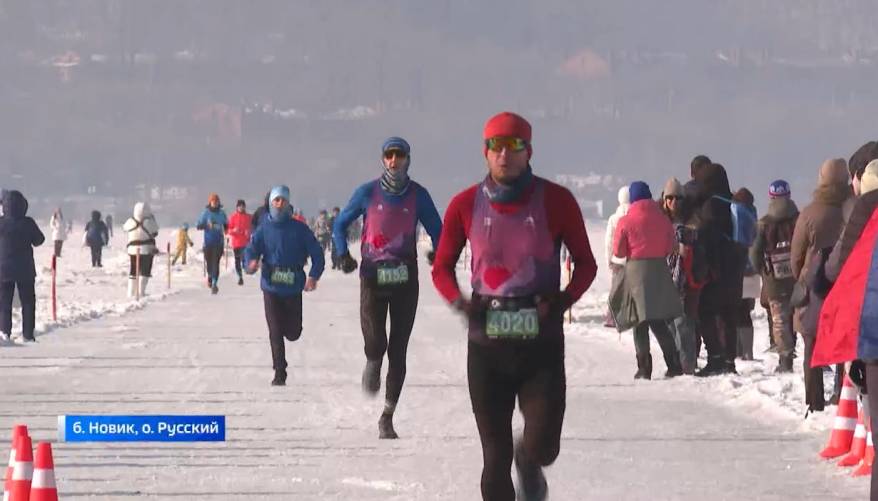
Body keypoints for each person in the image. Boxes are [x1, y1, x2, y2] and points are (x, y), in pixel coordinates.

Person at [431, 113, 597, 501]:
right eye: (496, 146)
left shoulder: (557, 201)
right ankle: (512, 462)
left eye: (514, 145)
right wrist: (460, 302)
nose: (505, 154)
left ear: (529, 151)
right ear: (485, 152)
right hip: (487, 345)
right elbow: (441, 267)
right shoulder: (464, 204)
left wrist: (562, 300)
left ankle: (529, 459)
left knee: (544, 448)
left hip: (540, 344)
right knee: (494, 458)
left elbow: (587, 265)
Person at [333, 136, 442, 440]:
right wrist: (342, 253)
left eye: (400, 155)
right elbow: (340, 224)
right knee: (376, 341)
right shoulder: (367, 192)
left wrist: (439, 252)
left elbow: (438, 229)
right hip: (373, 274)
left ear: (408, 159)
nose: (394, 161)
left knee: (399, 349)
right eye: (389, 155)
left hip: (405, 277)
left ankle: (387, 416)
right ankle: (372, 358)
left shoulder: (418, 195)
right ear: (383, 159)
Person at [245, 185, 324, 386]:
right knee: (275, 330)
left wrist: (313, 276)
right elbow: (251, 250)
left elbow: (317, 253)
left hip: (292, 286)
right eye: (276, 201)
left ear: (289, 204)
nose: (280, 204)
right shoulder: (263, 229)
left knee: (293, 332)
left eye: (283, 201)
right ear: (270, 203)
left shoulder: (299, 229)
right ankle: (280, 371)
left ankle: (290, 337)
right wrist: (251, 263)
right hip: (270, 287)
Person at [791, 158, 851, 412]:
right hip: (843, 283)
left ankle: (814, 399)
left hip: (813, 285)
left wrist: (802, 276)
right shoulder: (851, 209)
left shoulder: (809, 213)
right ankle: (840, 393)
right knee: (843, 344)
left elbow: (797, 254)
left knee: (811, 343)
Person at [611, 181, 683, 379]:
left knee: (639, 321)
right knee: (659, 321)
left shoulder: (625, 221)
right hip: (659, 270)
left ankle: (644, 368)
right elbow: (672, 247)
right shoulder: (662, 219)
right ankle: (674, 363)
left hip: (636, 272)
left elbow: (618, 250)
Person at [688, 163, 746, 376]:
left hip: (717, 270)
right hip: (736, 269)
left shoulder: (710, 205)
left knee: (706, 312)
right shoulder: (733, 202)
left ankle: (715, 358)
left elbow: (707, 239)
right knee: (730, 315)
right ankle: (730, 361)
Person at [750, 180, 799, 373]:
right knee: (799, 315)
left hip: (774, 280)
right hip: (797, 278)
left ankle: (785, 359)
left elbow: (754, 254)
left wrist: (763, 271)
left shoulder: (763, 223)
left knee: (779, 320)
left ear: (770, 197)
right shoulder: (799, 219)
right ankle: (812, 358)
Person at [661, 177, 706, 374]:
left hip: (687, 278)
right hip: (665, 277)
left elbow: (696, 242)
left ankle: (687, 365)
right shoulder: (659, 220)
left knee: (684, 322)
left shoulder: (691, 219)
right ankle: (676, 364)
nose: (674, 202)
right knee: (670, 323)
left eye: (677, 198)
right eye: (669, 198)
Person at [0, 191, 44, 342]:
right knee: (28, 303)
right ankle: (27, 334)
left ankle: (5, 332)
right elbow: (39, 240)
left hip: (3, 269)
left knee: (4, 303)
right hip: (25, 269)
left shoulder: (1, 222)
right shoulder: (28, 222)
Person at [733, 188, 758, 361]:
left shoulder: (735, 212)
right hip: (752, 268)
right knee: (745, 311)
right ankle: (748, 352)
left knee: (734, 309)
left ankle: (738, 351)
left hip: (737, 266)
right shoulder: (753, 213)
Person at [603, 186, 629, 328]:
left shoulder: (614, 219)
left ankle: (612, 318)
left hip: (617, 261)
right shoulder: (636, 217)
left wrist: (609, 260)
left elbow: (609, 241)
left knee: (616, 291)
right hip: (633, 260)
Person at [123, 202, 159, 298]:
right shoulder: (149, 222)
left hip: (132, 249)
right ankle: (141, 292)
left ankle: (131, 292)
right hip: (146, 249)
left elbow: (125, 228)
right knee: (145, 270)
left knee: (133, 270)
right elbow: (155, 232)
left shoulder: (130, 221)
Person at [197, 193, 229, 294]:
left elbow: (226, 224)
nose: (215, 203)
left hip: (218, 242)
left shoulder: (221, 213)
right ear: (210, 202)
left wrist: (226, 229)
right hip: (208, 243)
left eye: (216, 201)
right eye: (213, 201)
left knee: (216, 263)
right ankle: (210, 276)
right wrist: (206, 225)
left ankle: (215, 283)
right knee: (209, 263)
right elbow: (198, 225)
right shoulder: (205, 213)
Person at [227, 199, 252, 286]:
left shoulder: (249, 217)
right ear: (237, 207)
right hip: (236, 243)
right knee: (237, 260)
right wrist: (233, 230)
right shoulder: (233, 217)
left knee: (245, 258)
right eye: (239, 206)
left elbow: (254, 228)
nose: (241, 208)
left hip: (246, 243)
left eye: (243, 206)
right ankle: (240, 276)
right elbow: (228, 230)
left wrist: (249, 231)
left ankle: (246, 269)